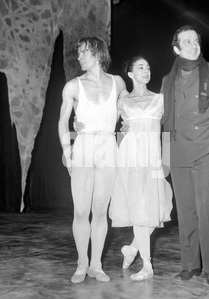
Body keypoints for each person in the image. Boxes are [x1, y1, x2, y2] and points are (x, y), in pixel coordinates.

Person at [160, 25, 209, 286]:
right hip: (177, 149)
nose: (193, 45)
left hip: (204, 148)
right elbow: (162, 119)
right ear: (176, 48)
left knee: (206, 207)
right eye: (187, 41)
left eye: (196, 40)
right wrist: (163, 154)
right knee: (185, 210)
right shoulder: (166, 80)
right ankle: (190, 265)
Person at [58, 36, 127, 284]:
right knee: (80, 211)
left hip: (109, 146)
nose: (79, 57)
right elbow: (62, 121)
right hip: (84, 146)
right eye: (78, 53)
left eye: (83, 52)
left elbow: (127, 112)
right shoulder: (73, 86)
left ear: (97, 53)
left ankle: (96, 265)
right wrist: (67, 152)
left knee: (100, 212)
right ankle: (81, 264)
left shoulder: (118, 82)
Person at [109, 56, 173, 281]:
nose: (146, 70)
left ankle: (132, 248)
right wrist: (80, 125)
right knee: (139, 211)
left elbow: (170, 128)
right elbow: (111, 130)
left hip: (153, 160)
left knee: (153, 212)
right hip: (129, 160)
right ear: (130, 74)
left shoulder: (160, 99)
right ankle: (147, 266)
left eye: (148, 66)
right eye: (140, 67)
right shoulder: (122, 102)